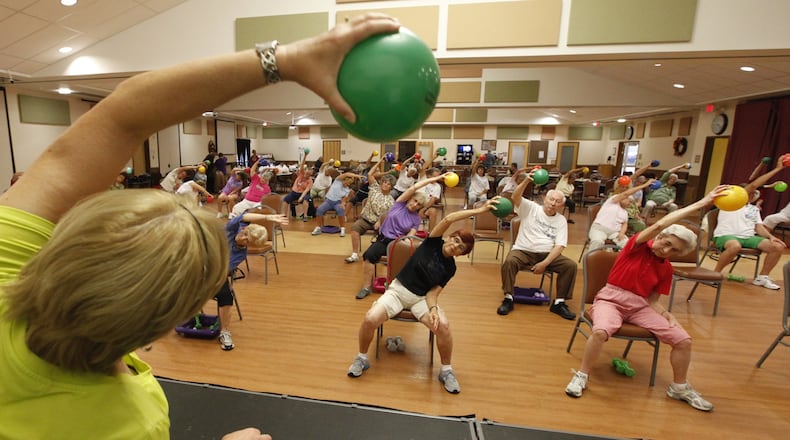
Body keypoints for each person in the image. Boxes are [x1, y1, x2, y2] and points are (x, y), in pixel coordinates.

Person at [0, 12, 400, 439]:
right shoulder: (130, 421)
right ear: (162, 325)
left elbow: (122, 113)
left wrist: (288, 60)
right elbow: (125, 115)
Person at [564, 186, 729, 412]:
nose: (666, 250)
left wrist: (665, 313)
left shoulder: (666, 268)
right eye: (666, 243)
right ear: (660, 236)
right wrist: (702, 203)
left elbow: (652, 300)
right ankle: (582, 375)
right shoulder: (637, 247)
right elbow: (661, 223)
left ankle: (679, 387)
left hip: (640, 306)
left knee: (683, 339)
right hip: (611, 300)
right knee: (601, 331)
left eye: (674, 250)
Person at [347, 199, 495, 394]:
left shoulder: (450, 268)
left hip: (421, 300)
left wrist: (433, 309)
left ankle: (446, 371)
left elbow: (433, 292)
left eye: (461, 249)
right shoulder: (432, 243)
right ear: (450, 237)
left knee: (443, 327)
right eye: (456, 241)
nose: (456, 246)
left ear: (461, 255)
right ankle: (362, 358)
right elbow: (449, 218)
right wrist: (481, 210)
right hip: (398, 292)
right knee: (369, 319)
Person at [496, 168, 577, 320]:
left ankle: (559, 302)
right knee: (509, 262)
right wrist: (527, 180)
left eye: (557, 202)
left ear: (561, 206)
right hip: (523, 250)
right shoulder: (531, 207)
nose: (553, 204)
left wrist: (545, 263)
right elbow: (515, 196)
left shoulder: (560, 220)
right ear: (544, 199)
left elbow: (560, 246)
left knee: (570, 266)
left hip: (546, 254)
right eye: (551, 199)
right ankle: (508, 298)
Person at [355, 173, 441, 299]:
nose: (415, 205)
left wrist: (405, 247)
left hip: (397, 243)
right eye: (414, 201)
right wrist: (435, 179)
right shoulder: (399, 204)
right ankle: (366, 287)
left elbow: (410, 236)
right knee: (369, 256)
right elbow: (413, 188)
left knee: (406, 261)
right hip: (383, 240)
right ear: (410, 198)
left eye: (419, 205)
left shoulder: (416, 219)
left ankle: (398, 290)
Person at [217, 209, 288, 350]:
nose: (242, 238)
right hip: (196, 267)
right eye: (244, 234)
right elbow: (245, 216)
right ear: (244, 229)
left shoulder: (239, 255)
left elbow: (223, 272)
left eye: (247, 241)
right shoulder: (232, 229)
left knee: (226, 296)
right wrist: (268, 217)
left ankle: (224, 332)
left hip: (214, 276)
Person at [712, 161, 787, 289]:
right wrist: (778, 169)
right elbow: (753, 185)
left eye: (753, 193)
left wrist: (770, 237)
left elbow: (759, 227)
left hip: (748, 238)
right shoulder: (730, 202)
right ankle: (715, 274)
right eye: (749, 192)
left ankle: (762, 277)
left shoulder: (754, 209)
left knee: (778, 246)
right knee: (735, 246)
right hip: (726, 236)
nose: (752, 194)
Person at [346, 159, 396, 263]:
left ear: (391, 187)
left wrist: (379, 222)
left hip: (380, 223)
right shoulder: (374, 188)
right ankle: (354, 254)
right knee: (355, 228)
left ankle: (380, 254)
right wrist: (381, 160)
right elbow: (370, 174)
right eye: (384, 182)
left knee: (386, 235)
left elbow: (389, 215)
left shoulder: (391, 200)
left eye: (388, 184)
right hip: (366, 219)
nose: (385, 185)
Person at [587, 179, 655, 252]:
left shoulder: (625, 212)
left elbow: (624, 224)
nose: (629, 202)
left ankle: (622, 261)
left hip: (614, 232)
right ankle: (590, 259)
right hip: (599, 228)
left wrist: (622, 233)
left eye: (630, 202)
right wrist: (644, 185)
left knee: (627, 244)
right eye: (627, 199)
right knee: (598, 241)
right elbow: (625, 194)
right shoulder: (612, 201)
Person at [311, 171, 363, 237]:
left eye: (349, 184)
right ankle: (318, 228)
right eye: (347, 183)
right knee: (319, 209)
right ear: (344, 180)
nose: (347, 185)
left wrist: (343, 204)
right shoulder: (337, 181)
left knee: (341, 210)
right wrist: (357, 176)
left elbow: (344, 199)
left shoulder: (347, 190)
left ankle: (342, 229)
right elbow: (346, 174)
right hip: (328, 201)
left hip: (337, 203)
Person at [281, 153, 314, 220]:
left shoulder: (310, 181)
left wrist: (301, 197)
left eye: (309, 174)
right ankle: (284, 215)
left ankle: (305, 216)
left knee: (306, 200)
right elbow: (302, 165)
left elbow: (306, 190)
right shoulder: (301, 174)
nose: (307, 175)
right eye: (306, 173)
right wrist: (305, 155)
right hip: (294, 193)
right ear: (304, 172)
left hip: (303, 194)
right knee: (285, 199)